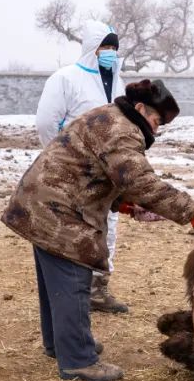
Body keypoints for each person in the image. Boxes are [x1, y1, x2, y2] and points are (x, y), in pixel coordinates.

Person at [2, 80, 194, 381]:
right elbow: (141, 182)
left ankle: (60, 344)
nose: (155, 131)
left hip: (41, 202)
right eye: (156, 122)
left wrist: (121, 203)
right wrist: (193, 211)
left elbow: (96, 169)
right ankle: (79, 360)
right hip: (59, 210)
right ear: (141, 109)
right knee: (74, 279)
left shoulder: (108, 116)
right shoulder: (123, 129)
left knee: (55, 283)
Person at [35, 20, 130, 314]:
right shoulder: (66, 79)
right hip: (74, 171)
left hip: (107, 173)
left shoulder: (118, 83)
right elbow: (46, 122)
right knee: (76, 228)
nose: (110, 52)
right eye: (105, 46)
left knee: (106, 228)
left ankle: (98, 289)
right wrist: (63, 158)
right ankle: (74, 291)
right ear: (92, 48)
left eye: (113, 47)